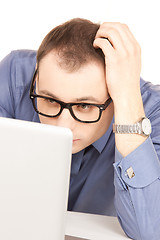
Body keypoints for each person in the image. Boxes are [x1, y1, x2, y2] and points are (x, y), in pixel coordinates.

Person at [0, 18, 160, 240]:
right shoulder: (14, 76)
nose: (64, 127)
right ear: (36, 81)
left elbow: (150, 231)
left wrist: (126, 96)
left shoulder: (150, 111)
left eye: (85, 106)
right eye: (50, 100)